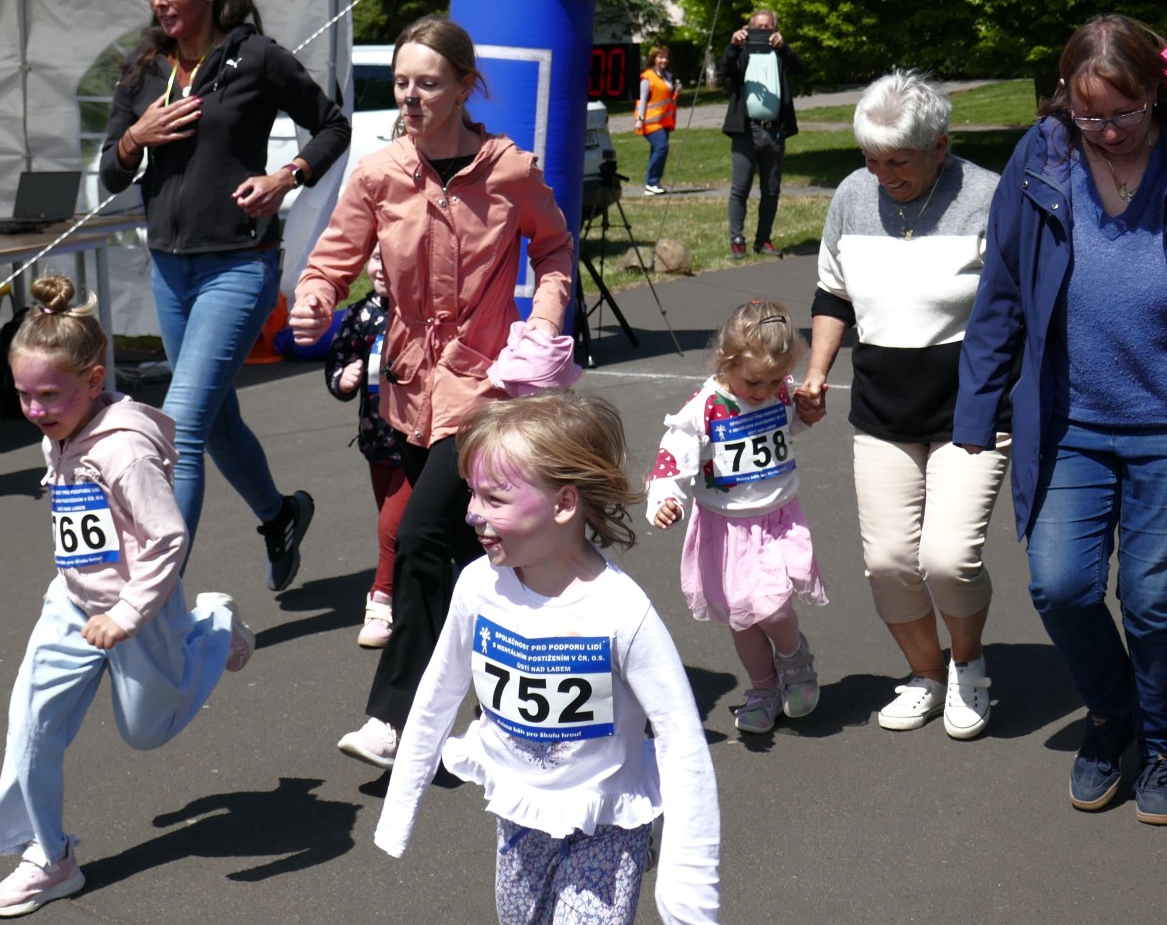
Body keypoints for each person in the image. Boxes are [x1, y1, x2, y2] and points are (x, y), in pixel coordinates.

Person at [955, 13, 1167, 825]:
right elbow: (1003, 287)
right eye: (1089, 115)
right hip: (1069, 420)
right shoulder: (1041, 154)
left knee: (1151, 596)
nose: (1107, 130)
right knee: (1060, 585)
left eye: (1125, 113)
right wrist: (975, 411)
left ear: (1155, 92)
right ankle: (1113, 713)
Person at [289, 14, 575, 769]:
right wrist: (314, 299)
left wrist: (544, 322)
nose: (410, 98)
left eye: (428, 83)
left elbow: (554, 250)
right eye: (401, 84)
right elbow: (330, 264)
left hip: (485, 388)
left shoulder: (509, 170)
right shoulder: (379, 173)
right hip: (408, 388)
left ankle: (394, 719)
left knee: (419, 539)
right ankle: (523, 698)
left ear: (466, 86)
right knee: (471, 552)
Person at [373, 392, 721, 925]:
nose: (471, 513)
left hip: (605, 824)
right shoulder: (477, 587)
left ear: (563, 504)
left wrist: (687, 889)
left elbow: (682, 740)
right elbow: (437, 694)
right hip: (518, 814)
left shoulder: (622, 612)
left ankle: (637, 850)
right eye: (472, 494)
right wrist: (400, 808)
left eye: (494, 498)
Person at [0, 274, 254, 918]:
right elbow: (82, 517)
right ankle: (49, 857)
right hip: (71, 605)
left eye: (49, 395)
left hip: (140, 610)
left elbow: (167, 538)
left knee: (146, 731)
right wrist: (75, 584)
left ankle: (214, 626)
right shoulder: (60, 429)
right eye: (23, 395)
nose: (35, 409)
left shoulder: (126, 452)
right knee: (30, 726)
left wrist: (128, 612)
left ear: (94, 381)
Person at [97, 0, 350, 589]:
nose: (161, 1)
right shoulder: (144, 69)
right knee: (214, 419)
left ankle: (158, 596)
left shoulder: (256, 57)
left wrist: (285, 178)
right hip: (169, 268)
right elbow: (111, 174)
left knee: (179, 428)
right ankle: (280, 515)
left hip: (238, 265)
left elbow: (332, 125)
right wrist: (135, 137)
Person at [801, 70, 1008, 739]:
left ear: (940, 147)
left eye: (898, 161)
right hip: (883, 411)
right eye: (871, 158)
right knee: (890, 563)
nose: (882, 174)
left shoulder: (988, 197)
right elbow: (833, 294)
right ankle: (926, 673)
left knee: (947, 559)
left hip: (971, 411)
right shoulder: (852, 196)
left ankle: (968, 665)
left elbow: (1018, 307)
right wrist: (815, 373)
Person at [648, 299, 826, 735]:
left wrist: (806, 413)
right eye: (753, 381)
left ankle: (795, 661)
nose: (764, 391)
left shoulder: (779, 390)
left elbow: (787, 426)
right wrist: (665, 499)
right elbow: (673, 462)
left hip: (778, 518)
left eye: (774, 380)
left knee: (773, 607)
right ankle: (763, 689)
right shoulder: (704, 408)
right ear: (726, 360)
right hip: (725, 528)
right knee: (742, 617)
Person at [323, 244, 407, 649]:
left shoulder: (422, 311)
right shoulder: (360, 315)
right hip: (376, 440)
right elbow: (337, 359)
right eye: (376, 258)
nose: (382, 268)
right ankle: (415, 590)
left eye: (392, 258)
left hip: (418, 439)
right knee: (398, 528)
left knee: (392, 525)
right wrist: (343, 378)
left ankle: (381, 601)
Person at [720, 9, 802, 260]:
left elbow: (800, 69)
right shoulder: (742, 53)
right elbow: (725, 72)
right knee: (740, 188)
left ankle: (763, 239)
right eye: (758, 27)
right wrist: (733, 46)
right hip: (746, 130)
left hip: (774, 131)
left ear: (775, 30)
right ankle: (737, 239)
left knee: (771, 190)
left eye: (768, 27)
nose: (763, 32)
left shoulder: (779, 54)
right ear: (748, 28)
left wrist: (784, 48)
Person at [634, 44, 681, 195]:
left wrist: (676, 91)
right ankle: (652, 182)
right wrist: (640, 119)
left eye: (666, 57)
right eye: (660, 57)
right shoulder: (647, 77)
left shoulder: (667, 76)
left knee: (657, 149)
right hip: (650, 121)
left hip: (663, 121)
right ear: (654, 59)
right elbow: (642, 99)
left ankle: (652, 183)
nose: (664, 60)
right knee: (661, 147)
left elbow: (667, 99)